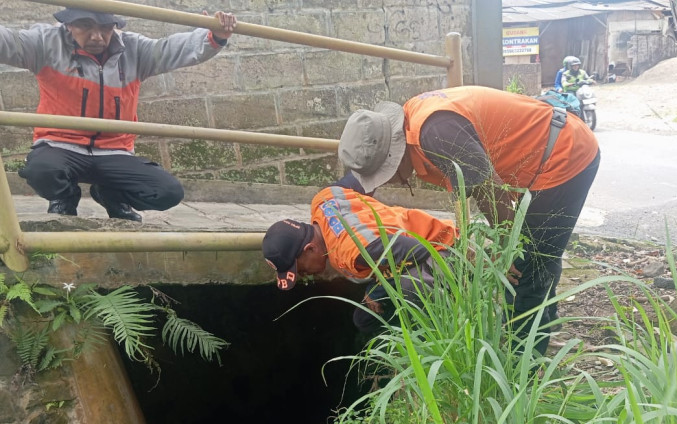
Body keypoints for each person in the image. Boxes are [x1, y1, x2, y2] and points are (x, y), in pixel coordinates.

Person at [337, 85, 600, 353]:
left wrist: (506, 248)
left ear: (393, 155)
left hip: (564, 154)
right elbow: (476, 185)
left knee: (525, 266)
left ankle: (525, 368)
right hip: (536, 157)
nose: (390, 181)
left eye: (385, 174)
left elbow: (490, 190)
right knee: (539, 255)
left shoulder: (435, 133)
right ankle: (545, 323)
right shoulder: (413, 122)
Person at [0, 7, 237, 222]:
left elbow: (169, 49)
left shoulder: (133, 49)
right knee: (41, 170)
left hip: (114, 152)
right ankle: (64, 199)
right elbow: (9, 42)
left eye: (105, 27)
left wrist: (213, 35)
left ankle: (110, 194)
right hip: (60, 146)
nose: (97, 36)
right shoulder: (46, 44)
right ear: (68, 25)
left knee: (168, 192)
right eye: (85, 26)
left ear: (114, 27)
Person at [262, 184, 457, 334]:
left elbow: (420, 249)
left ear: (310, 248)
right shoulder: (321, 201)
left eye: (300, 270)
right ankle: (404, 339)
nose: (304, 275)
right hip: (409, 249)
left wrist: (378, 290)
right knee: (365, 318)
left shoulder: (354, 251)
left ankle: (437, 336)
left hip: (443, 248)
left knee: (410, 288)